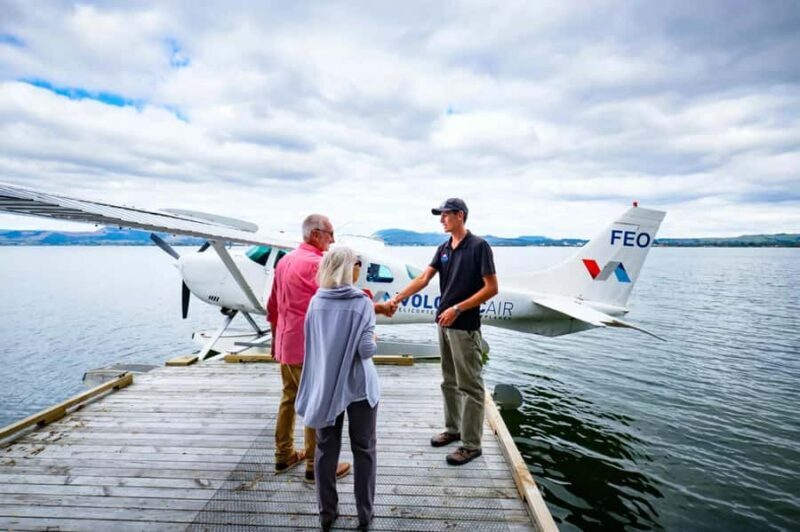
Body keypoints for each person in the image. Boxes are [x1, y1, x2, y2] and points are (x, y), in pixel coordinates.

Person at [389, 198, 497, 466]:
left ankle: (471, 445)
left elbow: (492, 288)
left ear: (460, 216)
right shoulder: (444, 248)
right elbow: (423, 278)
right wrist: (398, 298)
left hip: (464, 326)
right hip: (444, 324)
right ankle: (453, 429)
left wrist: (458, 308)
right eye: (440, 215)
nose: (441, 219)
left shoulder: (479, 246)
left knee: (470, 386)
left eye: (445, 215)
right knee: (448, 381)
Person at [296, 246, 379, 531]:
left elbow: (314, 345)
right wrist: (373, 334)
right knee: (364, 450)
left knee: (325, 451)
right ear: (349, 268)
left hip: (326, 388)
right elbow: (365, 350)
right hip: (358, 388)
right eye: (358, 262)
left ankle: (327, 515)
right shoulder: (362, 303)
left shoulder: (316, 301)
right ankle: (365, 516)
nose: (360, 268)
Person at [266, 214, 351, 482]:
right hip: (309, 347)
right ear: (316, 234)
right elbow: (339, 301)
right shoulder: (320, 264)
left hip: (285, 342)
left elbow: (273, 305)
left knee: (289, 398)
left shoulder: (284, 262)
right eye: (330, 234)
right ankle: (316, 466)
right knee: (316, 402)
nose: (333, 240)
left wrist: (274, 339)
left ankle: (284, 456)